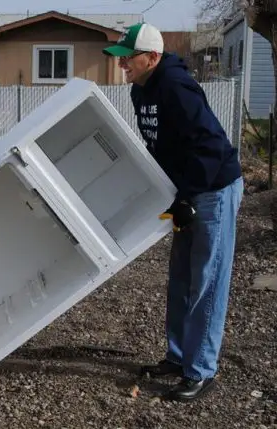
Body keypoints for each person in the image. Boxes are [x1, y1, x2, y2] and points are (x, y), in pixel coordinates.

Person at [102, 23, 243, 401]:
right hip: (189, 191)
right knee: (181, 277)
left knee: (207, 281)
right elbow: (160, 146)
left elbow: (210, 147)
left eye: (128, 59)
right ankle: (179, 357)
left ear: (152, 57)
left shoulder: (176, 87)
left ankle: (201, 370)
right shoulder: (140, 90)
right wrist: (169, 193)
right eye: (121, 60)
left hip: (214, 190)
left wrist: (189, 196)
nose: (122, 66)